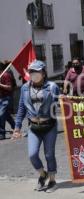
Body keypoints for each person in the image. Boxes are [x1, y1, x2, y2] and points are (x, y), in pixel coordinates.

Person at [11, 60, 60, 192]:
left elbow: (59, 105)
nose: (34, 74)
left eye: (37, 71)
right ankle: (42, 175)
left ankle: (52, 180)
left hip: (49, 126)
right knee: (32, 155)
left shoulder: (52, 87)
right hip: (33, 128)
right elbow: (21, 108)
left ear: (43, 73)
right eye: (31, 71)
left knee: (49, 154)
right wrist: (17, 128)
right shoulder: (25, 88)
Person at [0, 61, 14, 140]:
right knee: (6, 115)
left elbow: (9, 87)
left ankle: (2, 133)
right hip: (1, 98)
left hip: (6, 98)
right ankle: (15, 127)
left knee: (1, 115)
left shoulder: (6, 75)